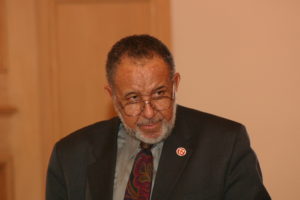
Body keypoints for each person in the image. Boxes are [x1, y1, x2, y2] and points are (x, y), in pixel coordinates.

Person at [46, 34, 271, 200]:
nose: (150, 112)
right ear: (113, 97)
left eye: (160, 94)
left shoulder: (225, 144)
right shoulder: (71, 155)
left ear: (175, 85)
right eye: (133, 98)